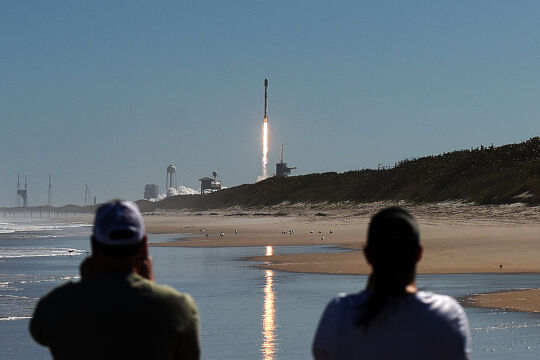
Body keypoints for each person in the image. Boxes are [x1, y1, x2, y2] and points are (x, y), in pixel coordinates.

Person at [30, 201, 200, 360]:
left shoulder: (55, 305)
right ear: (144, 246)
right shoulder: (178, 307)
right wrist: (150, 287)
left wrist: (86, 287)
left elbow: (40, 334)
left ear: (94, 245)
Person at [312, 207, 471, 359]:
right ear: (418, 254)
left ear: (368, 255)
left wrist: (370, 290)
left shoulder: (339, 312)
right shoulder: (446, 313)